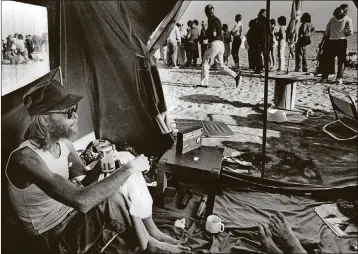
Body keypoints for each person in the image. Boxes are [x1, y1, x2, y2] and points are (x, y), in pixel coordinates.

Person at [5, 80, 191, 253]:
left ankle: (152, 234)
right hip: (52, 233)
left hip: (72, 214)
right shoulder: (25, 159)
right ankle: (150, 244)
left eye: (74, 108)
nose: (76, 116)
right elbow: (81, 200)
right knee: (113, 192)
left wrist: (102, 166)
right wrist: (129, 168)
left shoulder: (64, 144)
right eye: (68, 112)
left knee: (119, 177)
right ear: (45, 119)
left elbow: (85, 181)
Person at [200, 4, 241, 87]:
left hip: (214, 43)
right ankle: (236, 76)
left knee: (205, 62)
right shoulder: (217, 20)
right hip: (221, 44)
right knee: (220, 66)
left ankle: (204, 83)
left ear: (206, 12)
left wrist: (205, 30)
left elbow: (213, 34)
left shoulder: (211, 20)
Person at [321, 4, 353, 85]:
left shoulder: (332, 20)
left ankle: (325, 77)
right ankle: (339, 78)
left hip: (331, 41)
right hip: (341, 41)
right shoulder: (348, 19)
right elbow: (350, 32)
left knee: (329, 60)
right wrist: (343, 34)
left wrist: (326, 40)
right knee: (341, 61)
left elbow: (327, 32)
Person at [251, 9, 267, 74]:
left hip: (260, 40)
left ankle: (260, 68)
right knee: (260, 55)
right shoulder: (262, 21)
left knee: (259, 55)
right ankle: (261, 68)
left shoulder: (257, 21)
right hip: (261, 40)